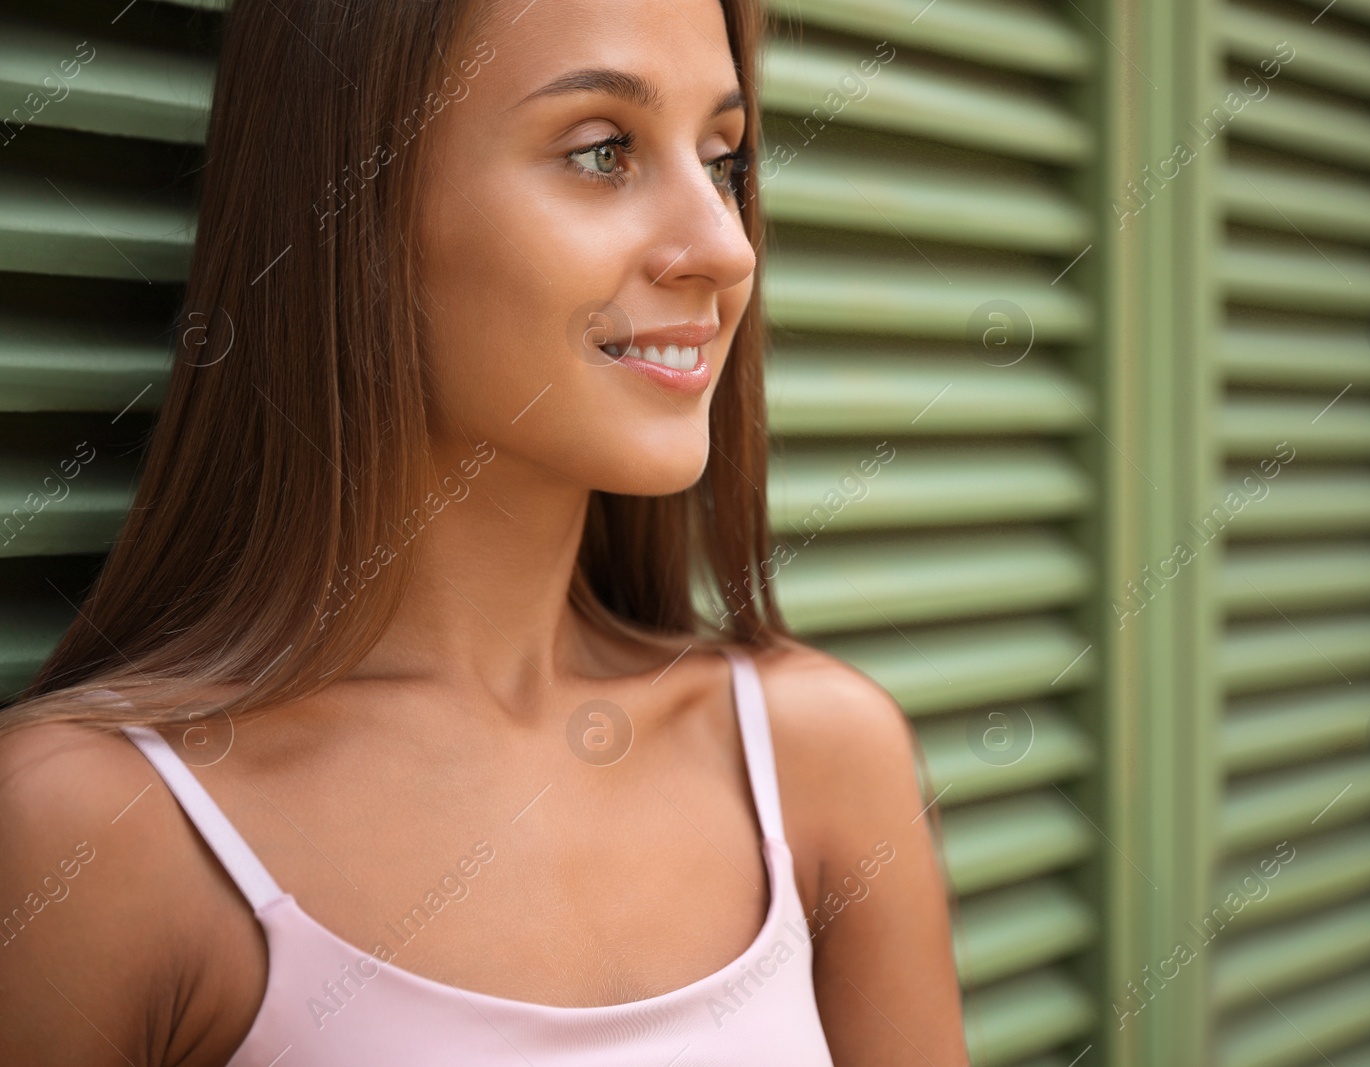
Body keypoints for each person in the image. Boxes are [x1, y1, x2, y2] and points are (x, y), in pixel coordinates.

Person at [0, 0, 969, 1063]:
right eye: (604, 151)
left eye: (724, 160)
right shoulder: (94, 834)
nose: (724, 248)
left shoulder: (819, 761)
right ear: (349, 204)